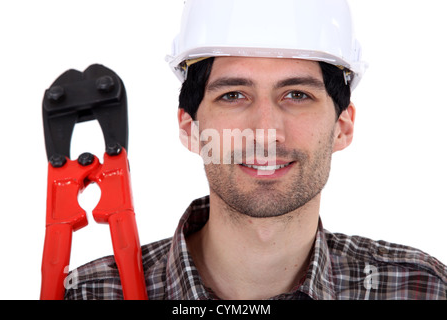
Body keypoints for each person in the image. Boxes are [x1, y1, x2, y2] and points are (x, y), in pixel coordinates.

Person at [65, 0, 446, 300]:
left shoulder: (420, 289)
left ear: (342, 127)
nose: (265, 132)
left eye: (297, 95)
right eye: (234, 95)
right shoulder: (89, 295)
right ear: (190, 128)